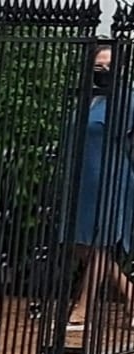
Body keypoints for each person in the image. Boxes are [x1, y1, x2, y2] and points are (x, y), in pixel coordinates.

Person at [69, 40, 134, 336]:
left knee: (99, 244)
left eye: (109, 65)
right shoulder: (88, 98)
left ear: (120, 68)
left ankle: (82, 307)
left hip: (111, 178)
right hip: (84, 180)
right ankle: (132, 294)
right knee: (82, 245)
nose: (103, 70)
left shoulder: (127, 99)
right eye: (98, 65)